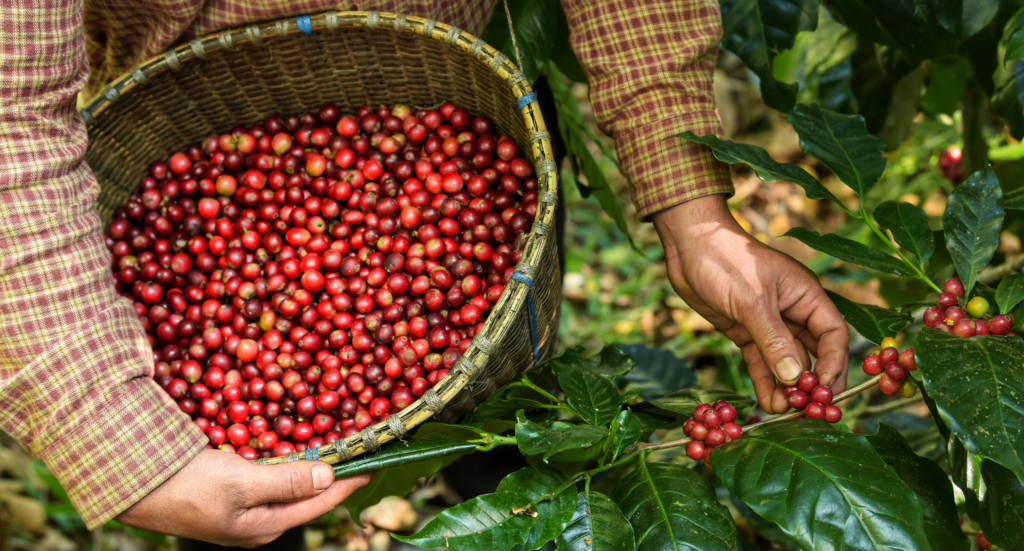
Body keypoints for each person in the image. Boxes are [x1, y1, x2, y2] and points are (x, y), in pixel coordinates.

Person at [0, 0, 850, 546]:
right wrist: (116, 433)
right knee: (233, 486)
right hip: (180, 81)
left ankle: (511, 496)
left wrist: (693, 209)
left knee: (519, 420)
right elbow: (10, 113)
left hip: (454, 62)